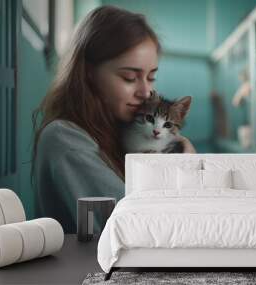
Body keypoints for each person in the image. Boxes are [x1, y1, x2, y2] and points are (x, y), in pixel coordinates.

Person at [32, 5, 196, 233]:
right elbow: (141, 229)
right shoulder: (65, 138)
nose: (146, 92)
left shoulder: (119, 129)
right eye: (129, 77)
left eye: (151, 77)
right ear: (88, 72)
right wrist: (188, 173)